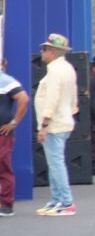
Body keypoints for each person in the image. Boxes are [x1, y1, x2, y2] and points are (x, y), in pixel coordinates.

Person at [34, 34, 79, 216]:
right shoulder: (68, 68)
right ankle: (57, 200)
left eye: (44, 49)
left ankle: (66, 201)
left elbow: (51, 99)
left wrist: (44, 124)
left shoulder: (54, 71)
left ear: (52, 52)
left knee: (56, 163)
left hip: (53, 124)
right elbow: (73, 98)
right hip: (64, 121)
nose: (42, 52)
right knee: (54, 163)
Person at [0, 59, 30, 216]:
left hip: (2, 133)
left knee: (3, 166)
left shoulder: (5, 81)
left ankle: (6, 204)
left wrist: (14, 123)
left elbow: (24, 99)